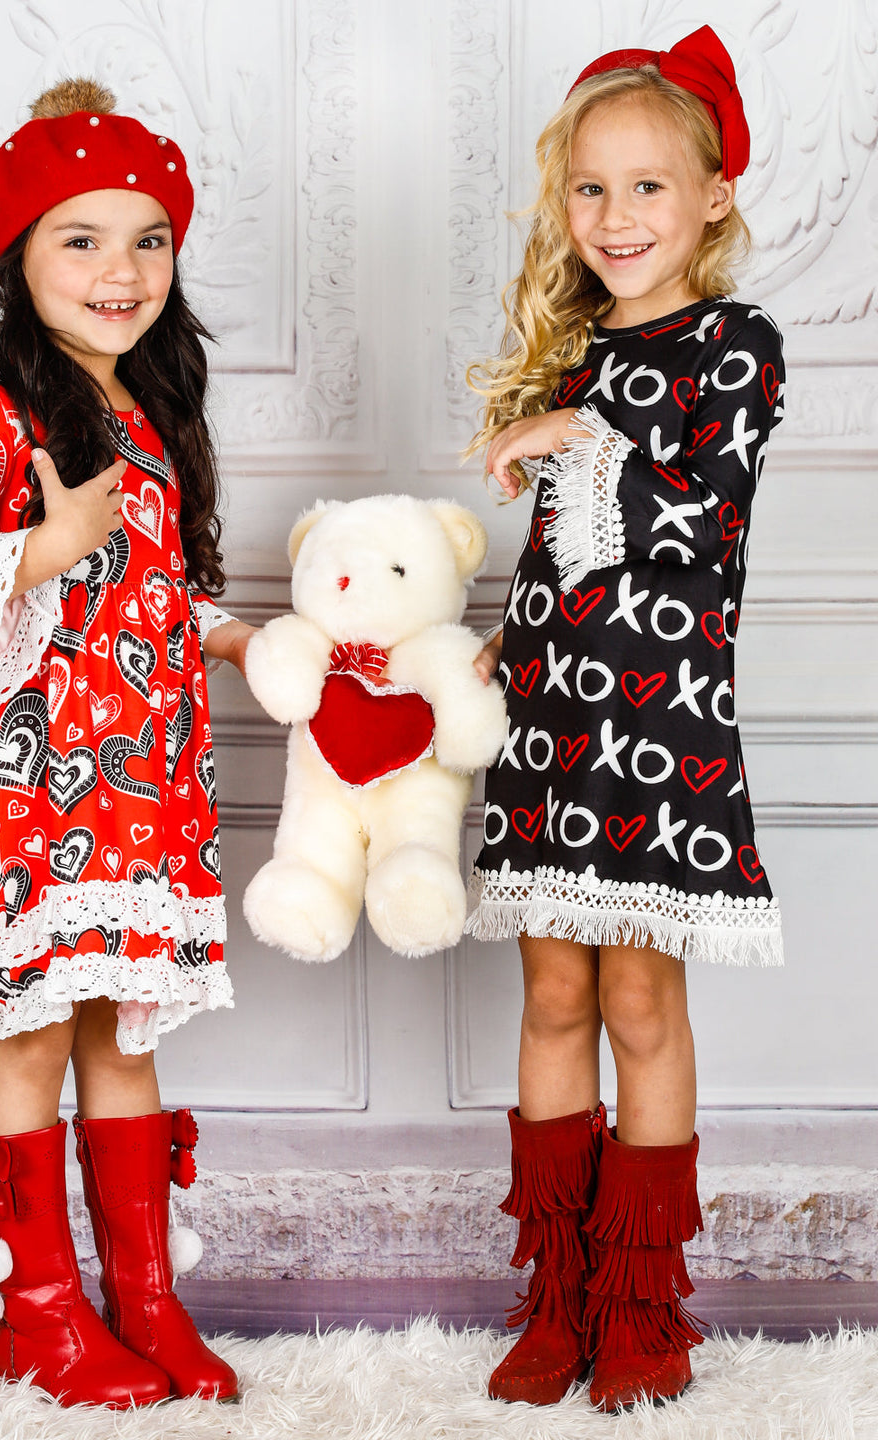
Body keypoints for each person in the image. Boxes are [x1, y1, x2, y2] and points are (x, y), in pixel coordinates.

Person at [0, 77, 254, 1409]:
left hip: (148, 790)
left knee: (126, 1035)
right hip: (35, 794)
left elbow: (156, 594)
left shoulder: (152, 414)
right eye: (82, 239)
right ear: (19, 255)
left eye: (148, 240)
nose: (122, 271)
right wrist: (46, 543)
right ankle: (36, 1315)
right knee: (34, 1029)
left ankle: (146, 1302)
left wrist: (246, 641)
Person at [464, 27, 785, 1413]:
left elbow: (704, 522)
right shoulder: (574, 353)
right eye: (590, 189)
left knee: (642, 999)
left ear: (712, 196)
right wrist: (501, 646)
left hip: (665, 736)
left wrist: (574, 442)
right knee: (552, 996)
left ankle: (642, 1304)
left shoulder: (737, 346)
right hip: (550, 724)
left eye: (648, 186)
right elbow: (565, 560)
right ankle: (557, 1297)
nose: (617, 217)